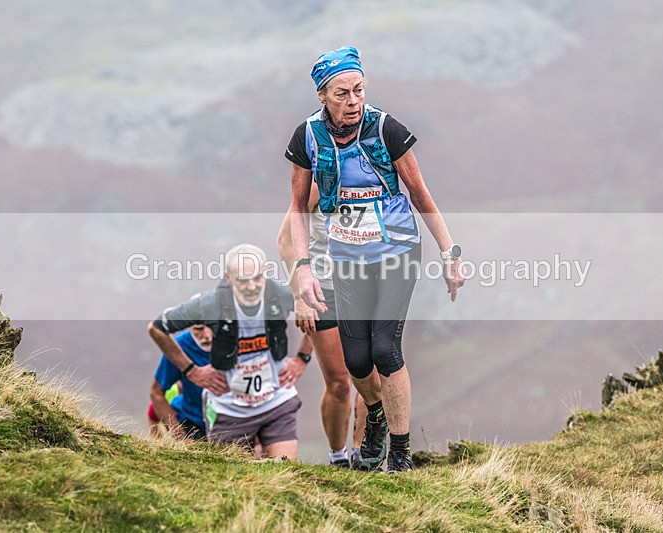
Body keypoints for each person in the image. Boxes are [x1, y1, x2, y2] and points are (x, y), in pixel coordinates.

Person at [287, 46, 464, 473]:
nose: (353, 101)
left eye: (359, 90)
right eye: (342, 93)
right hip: (347, 256)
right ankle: (377, 415)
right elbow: (298, 209)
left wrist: (450, 253)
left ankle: (400, 452)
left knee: (385, 349)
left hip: (397, 250)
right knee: (356, 360)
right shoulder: (307, 136)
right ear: (322, 96)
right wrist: (303, 269)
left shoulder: (386, 129)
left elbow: (420, 194)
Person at [147, 244, 308, 459]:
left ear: (266, 274)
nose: (251, 286)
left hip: (276, 401)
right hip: (230, 411)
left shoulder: (281, 295)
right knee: (236, 476)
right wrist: (192, 371)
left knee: (285, 469)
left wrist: (302, 358)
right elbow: (157, 328)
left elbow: (318, 309)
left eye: (257, 278)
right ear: (228, 278)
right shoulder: (209, 304)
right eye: (243, 280)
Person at [278, 189, 369, 468]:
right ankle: (338, 457)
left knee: (371, 377)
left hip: (366, 288)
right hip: (323, 290)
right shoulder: (319, 181)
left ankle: (364, 455)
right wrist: (299, 296)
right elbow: (285, 242)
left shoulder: (379, 176)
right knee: (339, 382)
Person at [148, 324, 213, 440]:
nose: (207, 335)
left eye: (213, 326)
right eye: (198, 329)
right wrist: (180, 436)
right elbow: (155, 396)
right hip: (194, 423)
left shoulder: (238, 337)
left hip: (235, 421)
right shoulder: (179, 346)